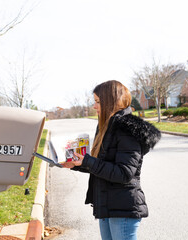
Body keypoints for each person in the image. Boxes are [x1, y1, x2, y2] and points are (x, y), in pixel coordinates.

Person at [61, 80, 161, 240]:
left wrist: (88, 162)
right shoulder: (106, 127)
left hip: (123, 209)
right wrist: (75, 164)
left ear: (111, 101)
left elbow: (123, 173)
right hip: (107, 204)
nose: (94, 106)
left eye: (98, 102)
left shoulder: (126, 129)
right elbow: (101, 165)